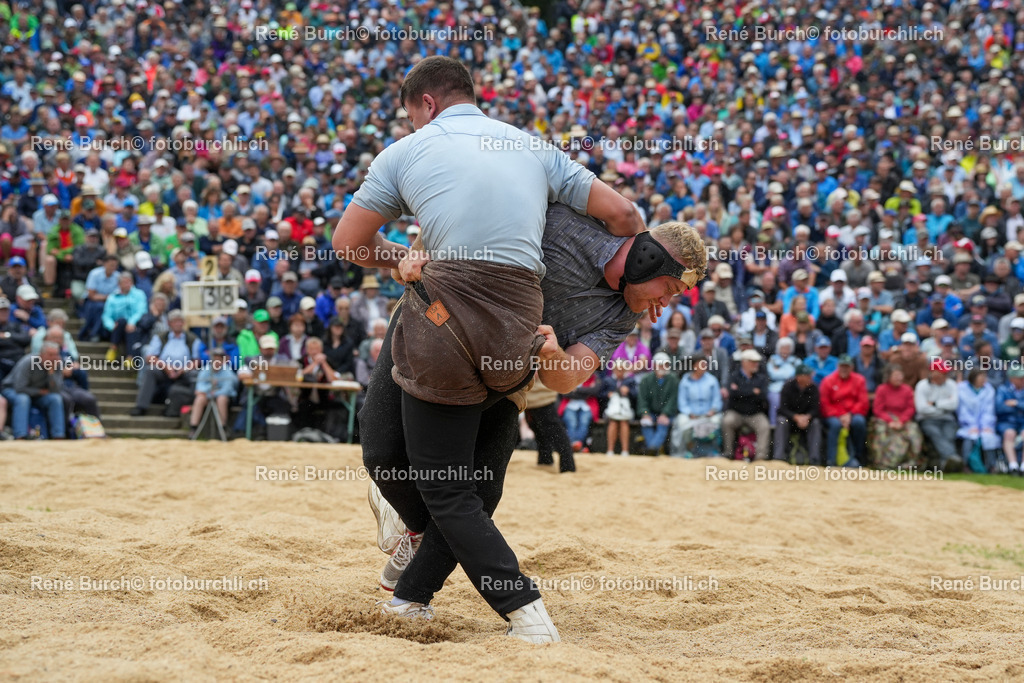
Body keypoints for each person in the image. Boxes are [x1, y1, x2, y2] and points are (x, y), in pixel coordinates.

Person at [332, 55, 653, 639]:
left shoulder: (406, 152)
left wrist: (398, 259)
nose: (412, 127)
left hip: (446, 307)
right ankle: (414, 589)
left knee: (441, 484)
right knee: (466, 479)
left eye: (411, 116)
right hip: (519, 320)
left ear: (426, 104)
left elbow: (349, 242)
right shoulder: (530, 146)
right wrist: (636, 271)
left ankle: (521, 611)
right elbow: (626, 214)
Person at [357, 204, 705, 635]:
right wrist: (414, 255)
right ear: (648, 259)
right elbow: (476, 208)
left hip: (509, 373)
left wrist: (556, 356)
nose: (664, 305)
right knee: (382, 453)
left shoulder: (625, 314)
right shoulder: (562, 224)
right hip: (437, 322)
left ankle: (412, 596)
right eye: (668, 288)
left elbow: (566, 379)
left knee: (479, 491)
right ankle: (417, 530)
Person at [130, 310, 201, 417]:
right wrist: (165, 367)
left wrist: (183, 369)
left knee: (195, 375)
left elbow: (196, 360)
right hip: (164, 369)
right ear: (169, 323)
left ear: (184, 323)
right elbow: (150, 357)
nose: (178, 324)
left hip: (185, 370)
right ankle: (141, 406)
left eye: (180, 321)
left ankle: (189, 405)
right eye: (175, 321)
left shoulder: (192, 338)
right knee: (150, 371)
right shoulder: (160, 337)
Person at [0, 343, 65, 440]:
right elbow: (19, 388)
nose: (54, 358)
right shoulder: (28, 362)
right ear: (41, 355)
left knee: (55, 399)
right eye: (50, 355)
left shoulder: (57, 364)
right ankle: (20, 435)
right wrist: (39, 391)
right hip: (12, 389)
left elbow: (57, 390)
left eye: (56, 354)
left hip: (37, 394)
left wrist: (51, 373)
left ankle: (58, 435)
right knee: (23, 399)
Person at [868, 365, 924, 469]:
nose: (898, 378)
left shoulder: (907, 390)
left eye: (900, 375)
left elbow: (910, 408)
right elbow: (878, 409)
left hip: (903, 420)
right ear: (889, 377)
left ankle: (912, 462)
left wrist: (901, 421)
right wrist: (890, 421)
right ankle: (881, 462)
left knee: (913, 431)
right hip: (885, 420)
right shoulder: (882, 389)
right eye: (895, 375)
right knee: (881, 431)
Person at [820, 355, 869, 468]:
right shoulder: (828, 381)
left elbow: (863, 402)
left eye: (847, 366)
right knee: (835, 425)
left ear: (852, 367)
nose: (844, 369)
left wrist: (849, 415)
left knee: (859, 422)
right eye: (842, 366)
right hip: (834, 414)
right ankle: (831, 460)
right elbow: (824, 403)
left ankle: (858, 456)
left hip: (852, 413)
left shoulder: (859, 380)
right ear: (837, 366)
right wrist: (840, 415)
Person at [721, 349, 771, 460]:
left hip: (755, 413)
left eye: (757, 362)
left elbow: (762, 395)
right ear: (744, 362)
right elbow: (732, 393)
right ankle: (728, 453)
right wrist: (752, 391)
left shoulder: (761, 378)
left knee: (764, 426)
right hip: (736, 412)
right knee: (727, 421)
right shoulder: (734, 376)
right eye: (753, 361)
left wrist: (741, 391)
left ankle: (761, 457)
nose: (756, 364)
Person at [671, 353, 722, 458]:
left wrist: (713, 410)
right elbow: (682, 402)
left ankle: (714, 451)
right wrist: (689, 413)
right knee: (681, 422)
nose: (703, 366)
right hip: (691, 415)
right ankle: (685, 451)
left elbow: (717, 400)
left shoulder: (712, 380)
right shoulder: (685, 381)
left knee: (718, 421)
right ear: (694, 366)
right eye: (701, 364)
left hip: (709, 415)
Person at [915, 359, 961, 471]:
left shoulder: (951, 384)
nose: (945, 375)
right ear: (933, 372)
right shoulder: (922, 386)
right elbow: (922, 409)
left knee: (949, 435)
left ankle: (944, 464)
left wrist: (935, 404)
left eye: (946, 372)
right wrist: (944, 408)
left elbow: (954, 404)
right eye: (942, 372)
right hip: (927, 420)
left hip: (947, 419)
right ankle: (953, 458)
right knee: (935, 434)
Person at [773, 364, 822, 465]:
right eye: (808, 375)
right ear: (799, 377)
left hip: (807, 420)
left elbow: (815, 409)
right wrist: (796, 417)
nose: (810, 377)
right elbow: (783, 409)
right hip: (790, 419)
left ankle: (814, 459)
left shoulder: (814, 388)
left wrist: (807, 417)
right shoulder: (787, 387)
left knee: (816, 423)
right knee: (781, 421)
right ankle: (778, 457)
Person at [524, 378, 575, 472]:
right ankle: (545, 460)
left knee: (555, 433)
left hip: (541, 397)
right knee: (540, 432)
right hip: (533, 397)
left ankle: (567, 467)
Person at [956, 367, 1000, 473]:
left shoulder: (989, 389)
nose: (983, 379)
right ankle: (966, 465)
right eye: (981, 377)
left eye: (985, 377)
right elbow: (963, 410)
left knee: (988, 438)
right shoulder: (961, 389)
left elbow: (989, 410)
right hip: (967, 424)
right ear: (973, 378)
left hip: (986, 425)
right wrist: (972, 425)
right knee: (970, 438)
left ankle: (991, 466)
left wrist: (985, 426)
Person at [636, 352, 679, 455]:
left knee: (663, 424)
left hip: (667, 413)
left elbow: (673, 400)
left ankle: (652, 449)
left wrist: (665, 414)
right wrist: (645, 413)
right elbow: (642, 400)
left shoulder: (673, 379)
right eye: (661, 364)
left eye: (666, 365)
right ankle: (653, 449)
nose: (663, 367)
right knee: (646, 423)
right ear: (654, 365)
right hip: (650, 412)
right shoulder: (646, 379)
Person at [602, 359, 637, 457]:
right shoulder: (608, 380)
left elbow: (636, 395)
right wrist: (608, 395)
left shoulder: (630, 381)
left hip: (626, 410)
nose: (619, 372)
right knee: (613, 422)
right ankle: (610, 450)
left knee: (624, 423)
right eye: (617, 370)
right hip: (610, 410)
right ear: (613, 370)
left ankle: (625, 450)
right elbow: (600, 394)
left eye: (622, 370)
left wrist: (628, 391)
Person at [559, 374, 600, 452]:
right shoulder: (569, 377)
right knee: (571, 423)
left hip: (587, 406)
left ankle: (574, 445)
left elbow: (595, 391)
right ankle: (577, 446)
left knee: (584, 423)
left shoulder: (594, 377)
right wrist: (586, 392)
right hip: (570, 405)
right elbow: (564, 392)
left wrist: (576, 390)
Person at [995, 367, 1024, 476]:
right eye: (1020, 378)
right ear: (1012, 379)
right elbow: (999, 408)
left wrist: (1016, 403)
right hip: (1007, 422)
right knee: (1009, 433)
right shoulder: (1003, 389)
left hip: (1022, 422)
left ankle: (1023, 466)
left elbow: (1008, 405)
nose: (1023, 380)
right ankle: (1013, 466)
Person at [767, 337, 799, 424]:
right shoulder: (773, 359)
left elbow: (798, 375)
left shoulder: (796, 360)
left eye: (787, 348)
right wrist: (789, 373)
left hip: (791, 388)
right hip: (776, 388)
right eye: (783, 348)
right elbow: (772, 374)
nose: (785, 350)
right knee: (776, 402)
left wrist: (780, 372)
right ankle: (773, 425)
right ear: (778, 349)